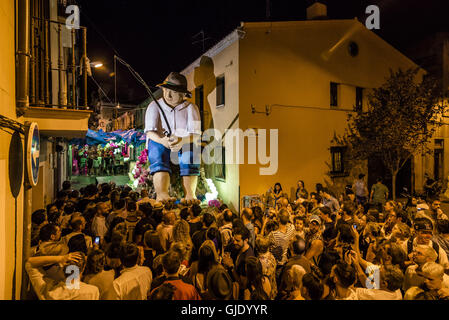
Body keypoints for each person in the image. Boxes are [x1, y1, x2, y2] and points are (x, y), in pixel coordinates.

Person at [144, 72, 201, 203]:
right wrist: (162, 141)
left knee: (191, 154)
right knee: (157, 152)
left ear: (182, 94)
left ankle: (190, 194)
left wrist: (183, 140)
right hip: (161, 141)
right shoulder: (154, 106)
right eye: (166, 90)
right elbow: (150, 132)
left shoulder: (191, 108)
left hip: (184, 143)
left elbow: (196, 134)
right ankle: (162, 193)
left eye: (173, 92)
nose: (168, 95)